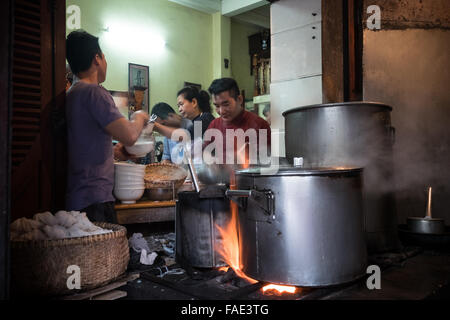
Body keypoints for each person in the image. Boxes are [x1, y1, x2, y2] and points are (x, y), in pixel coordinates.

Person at [65, 30, 149, 223]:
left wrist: (114, 152)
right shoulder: (95, 92)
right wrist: (139, 116)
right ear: (97, 58)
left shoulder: (72, 93)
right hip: (95, 199)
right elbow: (129, 135)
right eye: (104, 57)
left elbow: (84, 143)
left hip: (76, 196)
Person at [205, 78, 271, 165]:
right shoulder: (214, 125)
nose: (221, 111)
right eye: (217, 106)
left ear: (239, 99)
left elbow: (265, 162)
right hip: (220, 178)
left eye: (226, 104)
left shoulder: (259, 125)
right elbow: (205, 152)